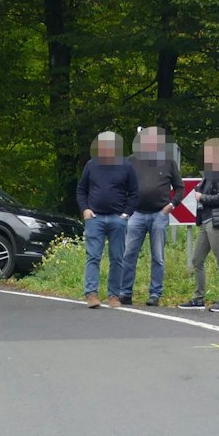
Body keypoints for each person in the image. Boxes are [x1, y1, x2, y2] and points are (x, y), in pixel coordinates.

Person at [116, 126, 183, 306]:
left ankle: (155, 294)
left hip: (159, 214)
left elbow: (179, 188)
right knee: (129, 254)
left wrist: (171, 205)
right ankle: (125, 292)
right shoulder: (131, 161)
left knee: (158, 256)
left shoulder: (168, 162)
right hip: (136, 214)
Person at [77, 131, 137, 307]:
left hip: (117, 219)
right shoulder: (91, 165)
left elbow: (134, 193)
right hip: (94, 218)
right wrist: (85, 210)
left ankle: (114, 296)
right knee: (93, 257)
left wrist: (126, 214)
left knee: (117, 258)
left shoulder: (126, 166)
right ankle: (92, 294)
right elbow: (81, 190)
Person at [180, 138, 219, 311]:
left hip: (217, 221)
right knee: (197, 259)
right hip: (206, 220)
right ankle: (198, 298)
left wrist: (202, 197)